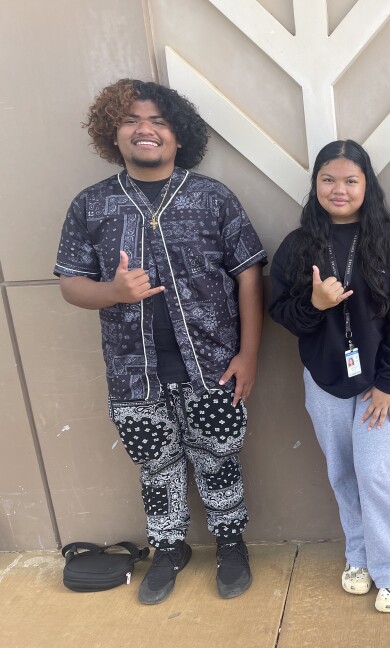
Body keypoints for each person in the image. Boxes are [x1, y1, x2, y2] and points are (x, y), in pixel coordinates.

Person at [54, 79, 267, 604]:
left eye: (158, 121)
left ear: (178, 135)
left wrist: (249, 354)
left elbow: (248, 276)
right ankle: (170, 547)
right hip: (134, 373)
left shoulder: (213, 197)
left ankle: (230, 542)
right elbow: (70, 284)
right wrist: (113, 291)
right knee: (156, 465)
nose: (144, 130)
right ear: (114, 134)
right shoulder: (93, 205)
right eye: (130, 121)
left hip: (214, 364)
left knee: (219, 457)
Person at [268, 140, 390, 613]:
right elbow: (280, 312)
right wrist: (314, 305)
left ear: (366, 185)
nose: (339, 189)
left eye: (351, 180)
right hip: (325, 376)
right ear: (315, 185)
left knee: (377, 470)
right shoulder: (297, 246)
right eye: (328, 180)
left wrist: (389, 382)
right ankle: (359, 554)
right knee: (343, 471)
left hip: (383, 378)